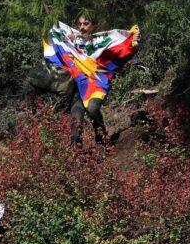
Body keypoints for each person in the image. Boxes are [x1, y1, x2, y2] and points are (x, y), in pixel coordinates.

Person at [44, 15, 140, 153]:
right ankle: (75, 151)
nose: (82, 27)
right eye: (80, 24)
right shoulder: (73, 40)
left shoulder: (102, 41)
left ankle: (102, 139)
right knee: (76, 115)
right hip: (80, 85)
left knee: (93, 108)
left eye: (86, 24)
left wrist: (133, 42)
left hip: (97, 84)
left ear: (94, 25)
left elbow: (122, 49)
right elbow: (57, 37)